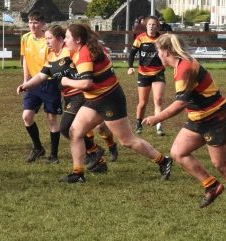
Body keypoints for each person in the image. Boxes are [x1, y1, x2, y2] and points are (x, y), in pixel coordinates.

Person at [142, 33, 226, 214]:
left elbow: (180, 104)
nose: (157, 55)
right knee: (178, 152)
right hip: (199, 118)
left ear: (166, 51)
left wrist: (156, 118)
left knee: (221, 164)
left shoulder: (185, 68)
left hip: (217, 118)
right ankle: (211, 185)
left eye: (158, 51)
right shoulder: (180, 65)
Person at [59, 23, 172, 183]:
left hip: (109, 100)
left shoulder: (84, 53)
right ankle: (78, 174)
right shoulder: (82, 49)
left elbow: (86, 84)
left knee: (127, 141)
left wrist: (66, 80)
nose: (64, 40)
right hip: (95, 99)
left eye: (67, 37)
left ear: (77, 40)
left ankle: (164, 160)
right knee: (74, 132)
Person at [17, 24, 110, 169]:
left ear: (60, 39)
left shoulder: (69, 51)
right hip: (67, 97)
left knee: (67, 128)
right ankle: (97, 159)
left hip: (80, 95)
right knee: (74, 129)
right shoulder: (51, 56)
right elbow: (41, 75)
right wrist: (26, 85)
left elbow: (87, 57)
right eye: (46, 38)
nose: (47, 42)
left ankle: (95, 151)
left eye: (49, 38)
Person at [19, 10, 61, 163]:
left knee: (51, 118)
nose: (32, 25)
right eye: (30, 22)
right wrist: (26, 81)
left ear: (43, 24)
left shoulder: (48, 40)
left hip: (49, 83)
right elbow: (25, 60)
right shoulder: (25, 38)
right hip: (33, 84)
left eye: (36, 22)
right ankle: (38, 148)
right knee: (27, 116)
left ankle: (54, 155)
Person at [127, 16, 167, 136]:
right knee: (143, 102)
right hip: (143, 74)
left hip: (158, 73)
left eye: (154, 25)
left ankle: (159, 126)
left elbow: (167, 53)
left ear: (157, 26)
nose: (151, 27)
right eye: (149, 24)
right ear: (146, 26)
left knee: (158, 100)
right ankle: (138, 124)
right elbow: (132, 53)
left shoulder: (161, 39)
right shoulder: (140, 38)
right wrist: (130, 67)